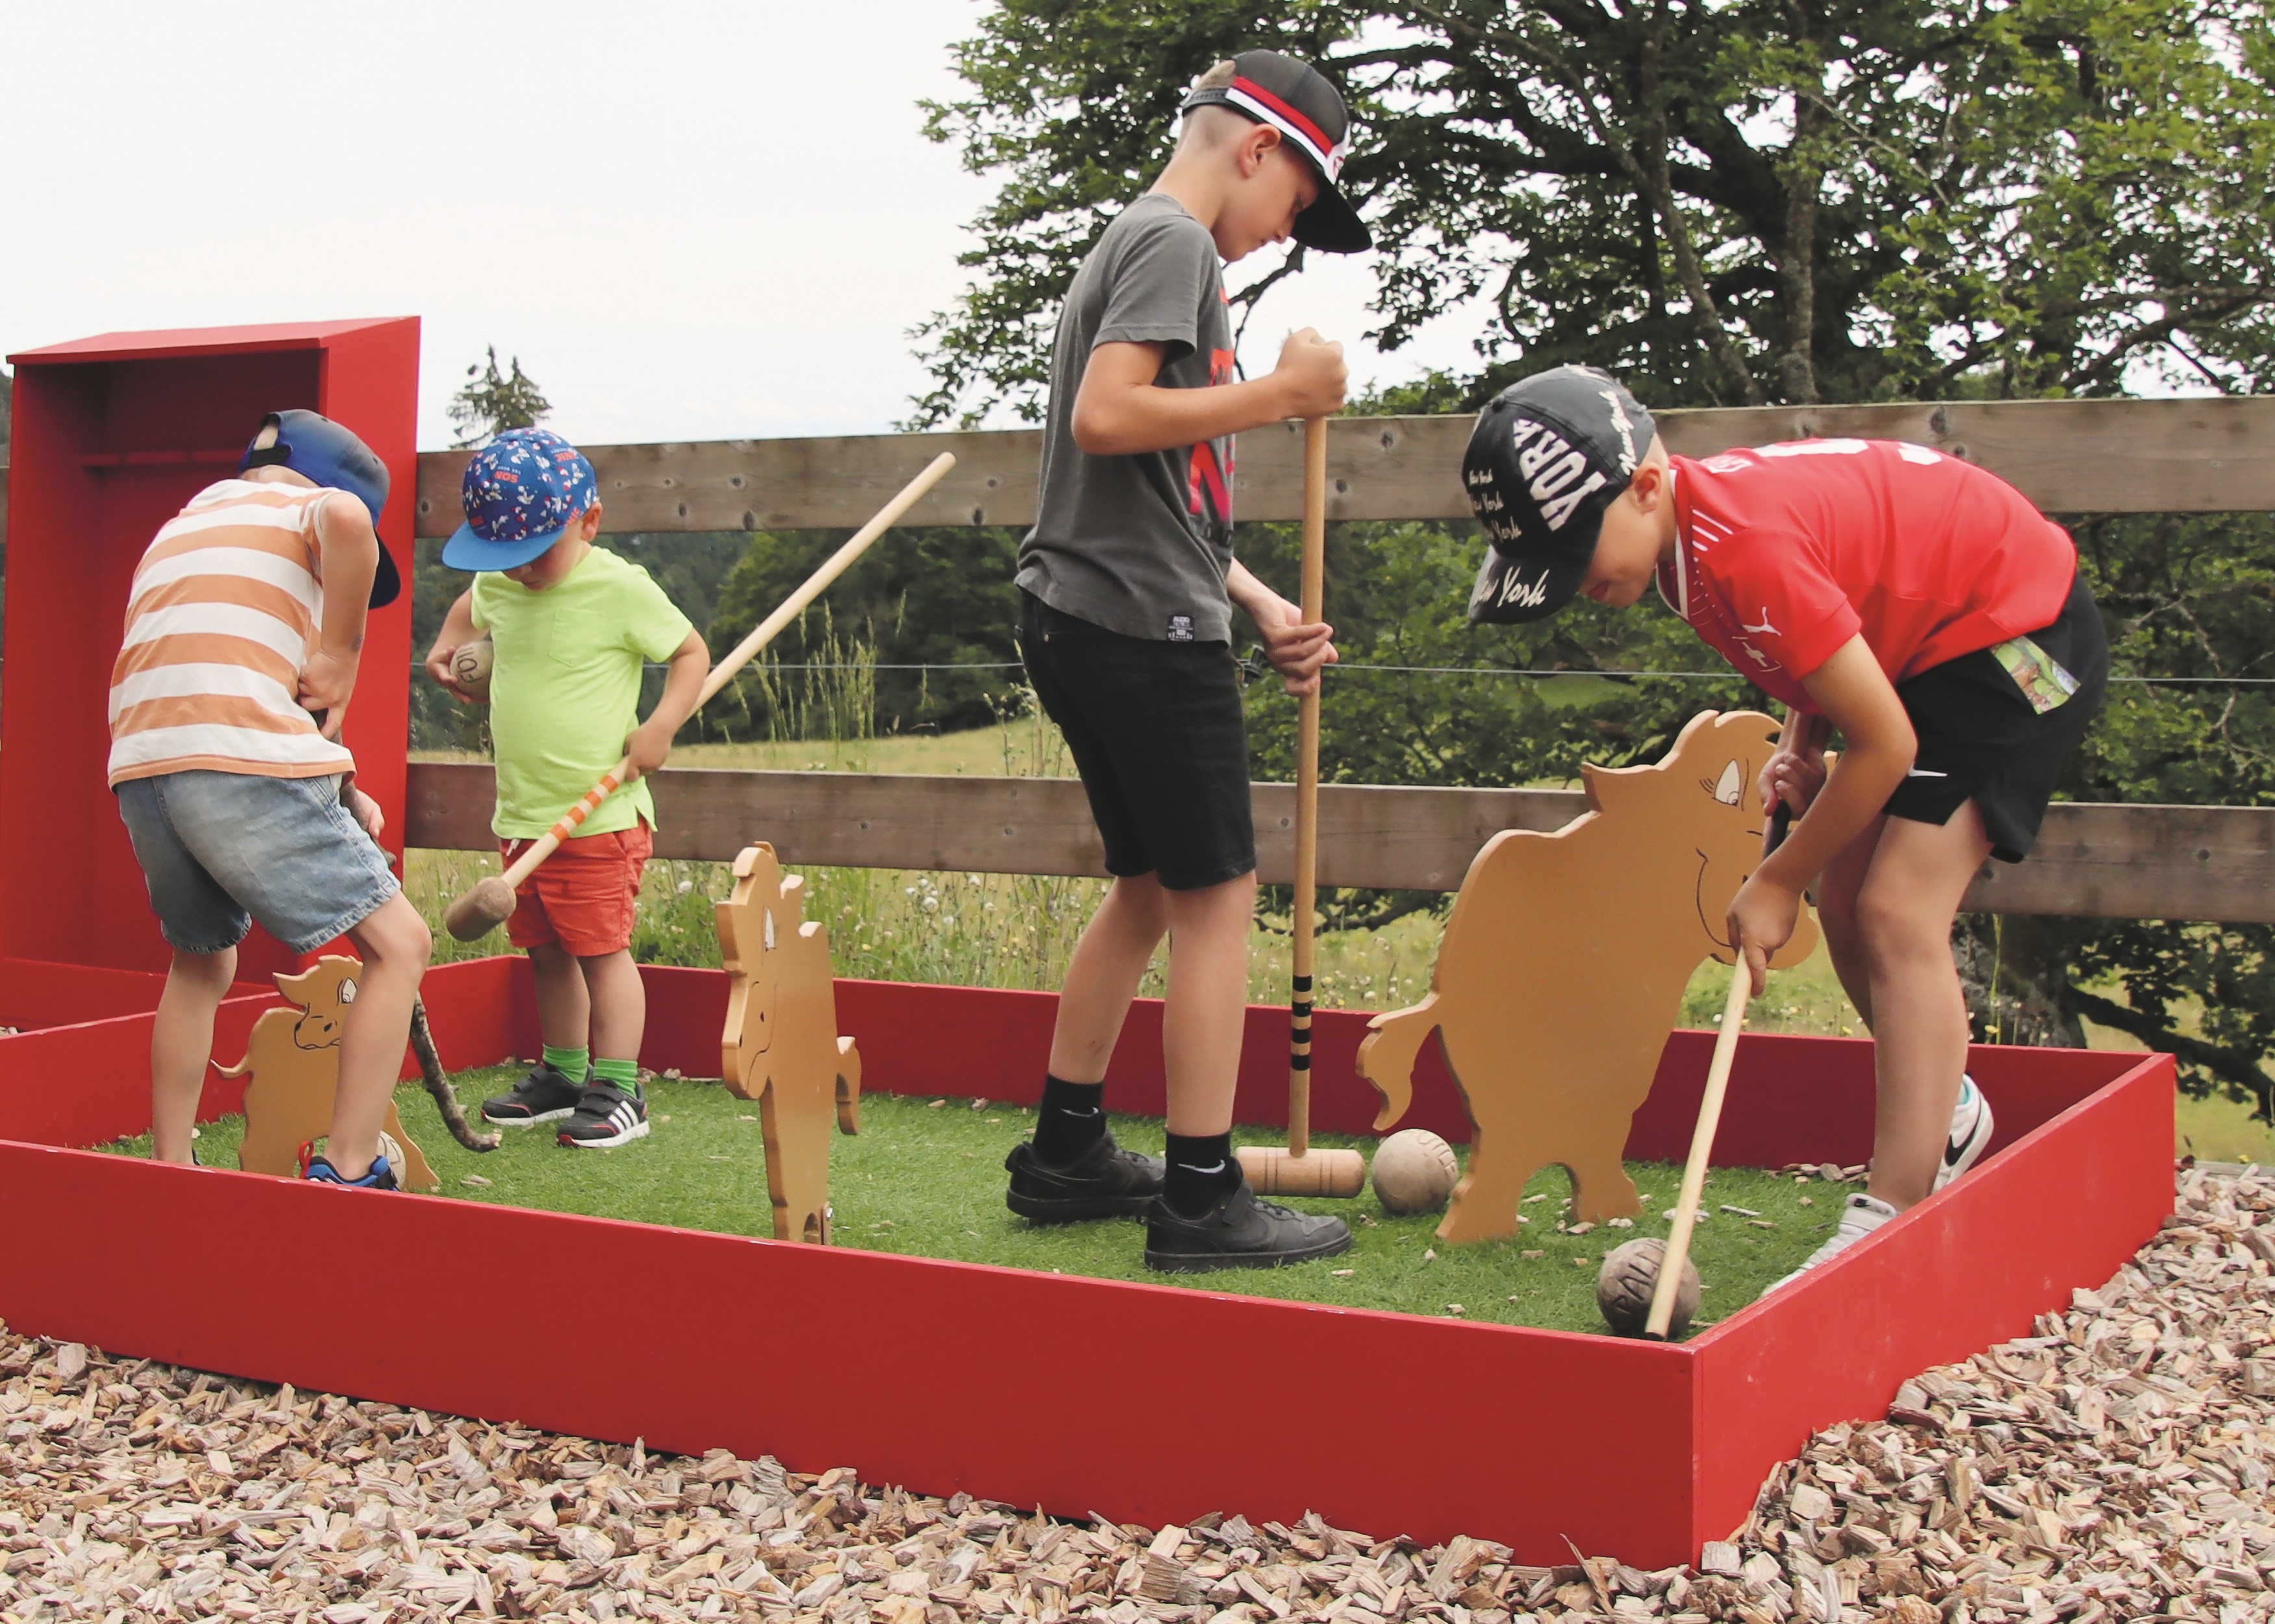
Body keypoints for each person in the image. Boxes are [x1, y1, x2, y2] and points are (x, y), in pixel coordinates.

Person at [1459, 365, 2108, 1282]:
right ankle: (1943, 1105)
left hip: (2020, 642)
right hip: (1934, 646)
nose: (1574, 587)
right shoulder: (1686, 547)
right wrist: (1803, 738)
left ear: (1644, 487)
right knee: (1848, 900)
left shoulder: (1738, 548)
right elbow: (1824, 627)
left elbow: (1884, 742)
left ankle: (1893, 1210)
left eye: (1573, 555)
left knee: (1891, 908)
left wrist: (1776, 878)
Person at [1002, 50, 1371, 1271]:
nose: (1288, 234)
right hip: (1141, 629)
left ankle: (1065, 1150)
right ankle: (1203, 1195)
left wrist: (1258, 598)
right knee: (1216, 897)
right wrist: (1278, 392)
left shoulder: (1145, 243)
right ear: (1255, 148)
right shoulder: (1174, 245)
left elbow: (1149, 489)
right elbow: (1103, 418)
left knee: (1149, 887)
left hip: (1082, 607)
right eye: (1298, 204)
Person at [110, 410, 431, 1188]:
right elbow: (348, 519)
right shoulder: (310, 510)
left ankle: (171, 1167)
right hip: (238, 764)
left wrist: (338, 788)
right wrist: (343, 650)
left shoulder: (182, 526)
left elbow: (229, 693)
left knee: (199, 962)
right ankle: (350, 1165)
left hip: (145, 770)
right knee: (402, 944)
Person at [425, 430, 708, 1148]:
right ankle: (563, 1073)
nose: (516, 571)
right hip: (523, 814)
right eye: (502, 556)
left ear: (588, 522)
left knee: (599, 951)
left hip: (599, 815)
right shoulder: (499, 582)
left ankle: (619, 1088)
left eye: (531, 553)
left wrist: (661, 727)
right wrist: (443, 650)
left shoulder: (618, 587)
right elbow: (468, 608)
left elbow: (689, 652)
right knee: (545, 953)